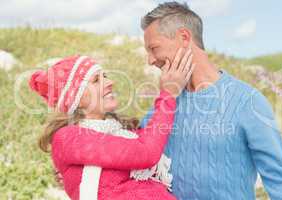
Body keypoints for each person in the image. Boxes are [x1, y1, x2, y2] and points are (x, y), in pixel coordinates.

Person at [139, 1, 282, 199]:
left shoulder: (247, 102)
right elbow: (137, 165)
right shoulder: (161, 108)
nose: (150, 60)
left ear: (184, 37)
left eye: (154, 48)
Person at [28, 52, 195, 200]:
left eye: (105, 76)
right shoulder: (68, 138)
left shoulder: (120, 131)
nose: (110, 82)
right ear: (74, 99)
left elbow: (153, 137)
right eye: (95, 80)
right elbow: (146, 152)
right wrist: (168, 94)